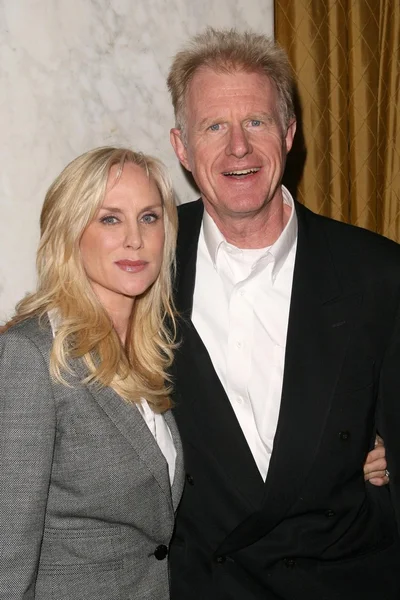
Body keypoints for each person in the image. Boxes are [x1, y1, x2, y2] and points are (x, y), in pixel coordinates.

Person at [167, 28, 400, 599]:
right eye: (214, 126)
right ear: (181, 146)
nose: (238, 148)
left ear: (289, 134)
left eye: (257, 122)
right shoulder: (146, 262)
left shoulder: (378, 273)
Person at [0, 147, 183, 599]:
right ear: (70, 233)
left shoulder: (154, 351)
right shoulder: (31, 356)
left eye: (149, 217)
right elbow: (8, 552)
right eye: (109, 219)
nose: (135, 240)